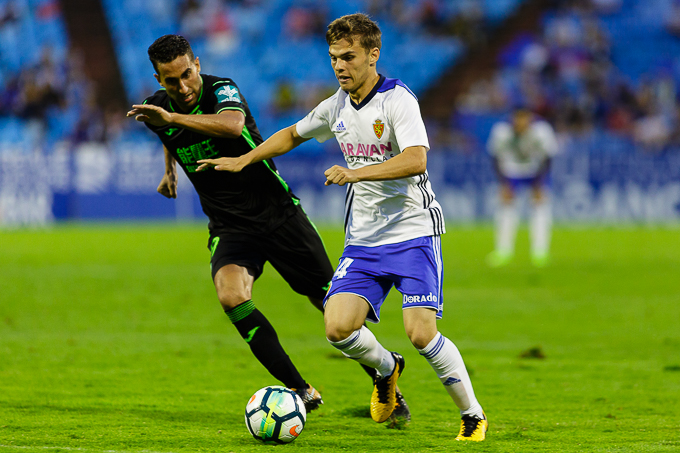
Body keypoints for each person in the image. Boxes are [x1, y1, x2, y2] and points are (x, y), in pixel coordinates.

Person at [196, 14, 487, 441]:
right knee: (336, 328)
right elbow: (292, 134)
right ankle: (387, 368)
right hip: (364, 240)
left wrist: (355, 173)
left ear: (373, 55)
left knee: (421, 334)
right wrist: (245, 158)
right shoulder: (336, 105)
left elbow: (416, 159)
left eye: (348, 57)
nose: (339, 66)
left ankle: (472, 415)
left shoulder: (397, 100)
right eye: (333, 57)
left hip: (412, 234)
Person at [127, 34, 411, 422]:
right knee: (231, 297)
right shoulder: (158, 109)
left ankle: (385, 377)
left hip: (278, 215)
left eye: (187, 74)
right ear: (159, 80)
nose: (184, 86)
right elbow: (168, 133)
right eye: (171, 81)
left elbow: (232, 126)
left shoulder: (221, 90)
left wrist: (173, 118)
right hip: (229, 225)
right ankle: (301, 390)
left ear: (197, 64)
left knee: (333, 309)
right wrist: (169, 170)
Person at [486, 107, 559, 268]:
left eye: (524, 119)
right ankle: (503, 251)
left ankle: (540, 252)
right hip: (511, 171)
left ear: (530, 119)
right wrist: (504, 184)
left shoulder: (542, 131)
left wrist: (539, 184)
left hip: (535, 170)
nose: (520, 123)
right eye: (517, 119)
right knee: (506, 210)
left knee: (540, 208)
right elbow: (495, 157)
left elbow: (548, 158)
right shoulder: (501, 132)